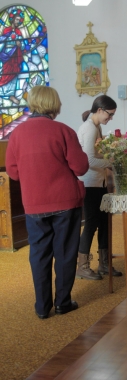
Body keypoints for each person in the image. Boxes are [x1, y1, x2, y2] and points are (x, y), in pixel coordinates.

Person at [5, 85, 89, 319]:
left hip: (34, 203)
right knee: (64, 252)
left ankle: (42, 307)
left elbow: (12, 172)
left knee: (39, 254)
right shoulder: (63, 131)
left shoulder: (17, 134)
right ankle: (62, 303)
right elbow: (81, 167)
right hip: (66, 201)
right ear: (55, 104)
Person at [77, 95, 122, 280]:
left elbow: (97, 155)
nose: (110, 118)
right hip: (90, 183)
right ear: (100, 110)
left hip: (100, 182)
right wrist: (111, 161)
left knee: (104, 223)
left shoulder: (97, 127)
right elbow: (88, 160)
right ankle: (82, 266)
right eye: (109, 114)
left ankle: (104, 263)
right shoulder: (88, 128)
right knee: (91, 224)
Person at [0, 9, 25, 104]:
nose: (18, 22)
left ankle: (11, 95)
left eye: (19, 20)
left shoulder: (19, 31)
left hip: (16, 56)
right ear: (12, 19)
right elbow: (2, 41)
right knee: (6, 75)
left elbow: (22, 45)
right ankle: (5, 94)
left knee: (14, 74)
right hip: (7, 55)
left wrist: (20, 45)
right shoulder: (6, 30)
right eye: (17, 19)